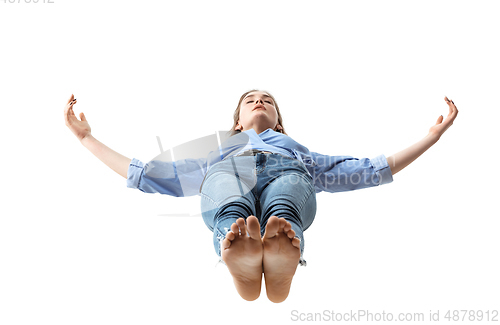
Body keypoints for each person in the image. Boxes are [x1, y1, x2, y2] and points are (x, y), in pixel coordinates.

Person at [64, 90, 458, 303]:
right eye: (251, 99)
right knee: (226, 195)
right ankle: (241, 250)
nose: (260, 101)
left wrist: (431, 137)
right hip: (225, 173)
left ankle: (275, 249)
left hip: (289, 173)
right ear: (237, 120)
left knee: (284, 199)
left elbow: (370, 169)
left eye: (268, 100)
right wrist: (86, 138)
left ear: (279, 121)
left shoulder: (300, 153)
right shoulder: (214, 155)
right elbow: (148, 175)